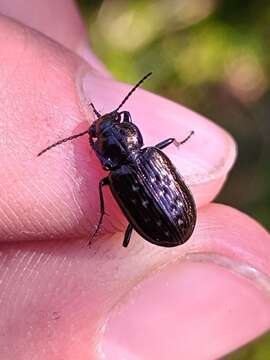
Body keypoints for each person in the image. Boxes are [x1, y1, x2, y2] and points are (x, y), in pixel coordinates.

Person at [0, 1, 269, 359]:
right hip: (172, 219)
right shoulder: (149, 156)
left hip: (161, 225)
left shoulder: (115, 175)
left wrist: (100, 219)